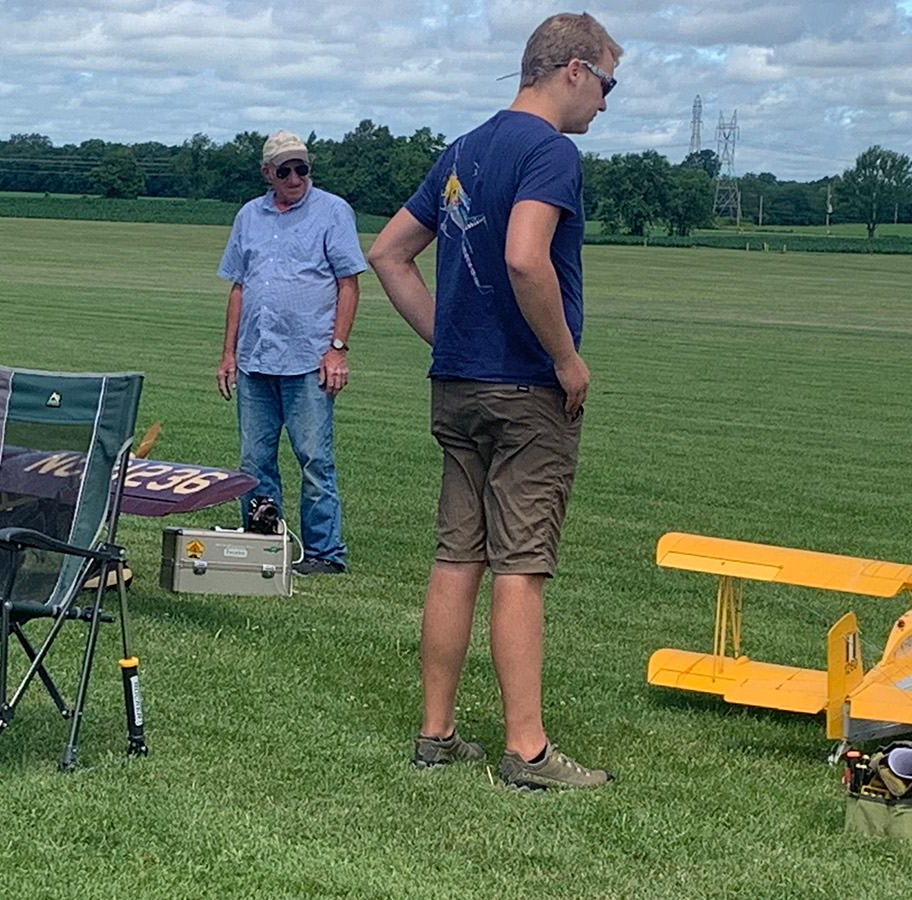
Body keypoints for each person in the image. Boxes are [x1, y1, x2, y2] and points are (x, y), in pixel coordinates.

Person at [366, 11, 620, 790]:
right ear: (572, 70)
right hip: (525, 391)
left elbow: (388, 252)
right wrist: (565, 358)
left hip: (458, 388)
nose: (605, 103)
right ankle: (528, 750)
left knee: (457, 555)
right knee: (521, 564)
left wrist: (447, 336)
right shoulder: (551, 152)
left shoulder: (462, 150)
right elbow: (524, 257)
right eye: (607, 85)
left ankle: (436, 733)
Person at [216, 130, 367, 576]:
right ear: (268, 173)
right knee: (253, 461)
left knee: (314, 459)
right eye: (285, 170)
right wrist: (228, 354)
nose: (296, 177)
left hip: (308, 360)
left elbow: (348, 284)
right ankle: (263, 544)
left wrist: (337, 350)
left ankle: (324, 553)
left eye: (302, 168)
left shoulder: (333, 211)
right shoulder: (249, 215)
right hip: (255, 358)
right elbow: (239, 287)